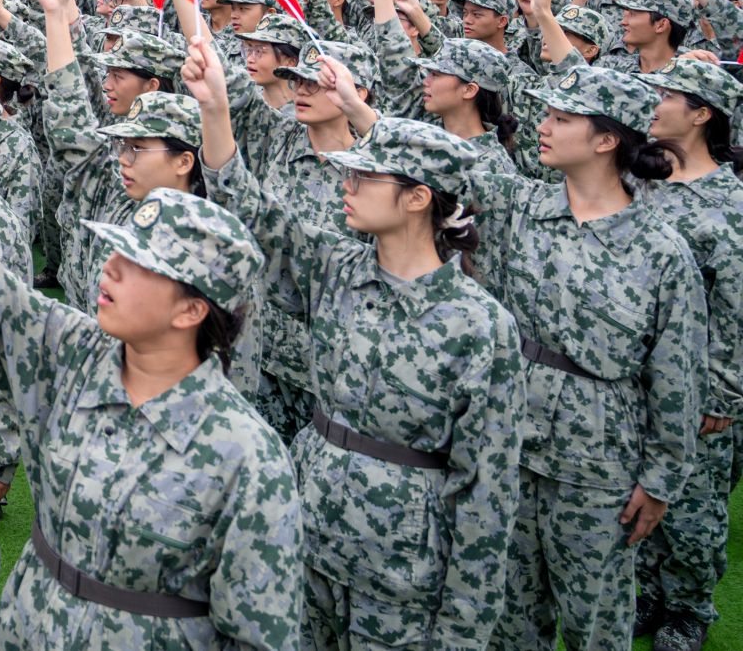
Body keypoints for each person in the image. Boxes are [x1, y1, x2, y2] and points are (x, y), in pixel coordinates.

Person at [0, 82, 302, 649]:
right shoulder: (70, 353)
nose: (110, 269)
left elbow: (258, 636)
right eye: (117, 251)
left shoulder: (247, 455)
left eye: (139, 266)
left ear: (192, 309)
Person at [182, 33, 523, 649]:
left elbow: (486, 493)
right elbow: (252, 211)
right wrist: (214, 111)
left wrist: (463, 629)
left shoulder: (480, 326)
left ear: (418, 198)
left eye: (365, 176)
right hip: (312, 530)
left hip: (402, 567)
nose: (347, 183)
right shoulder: (337, 268)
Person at [445, 65, 708, 650]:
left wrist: (661, 480)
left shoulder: (660, 251)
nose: (543, 127)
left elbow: (677, 378)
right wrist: (351, 102)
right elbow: (442, 165)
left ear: (606, 139)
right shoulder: (522, 205)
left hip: (597, 465)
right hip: (510, 445)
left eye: (562, 119)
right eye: (546, 115)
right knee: (509, 616)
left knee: (596, 621)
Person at [633, 56, 743, 650]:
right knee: (639, 491)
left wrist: (723, 393)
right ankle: (649, 591)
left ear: (701, 115)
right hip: (636, 376)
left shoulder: (729, 203)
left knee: (693, 508)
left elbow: (736, 309)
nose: (654, 104)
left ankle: (689, 608)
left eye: (667, 96)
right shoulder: (640, 182)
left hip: (696, 385)